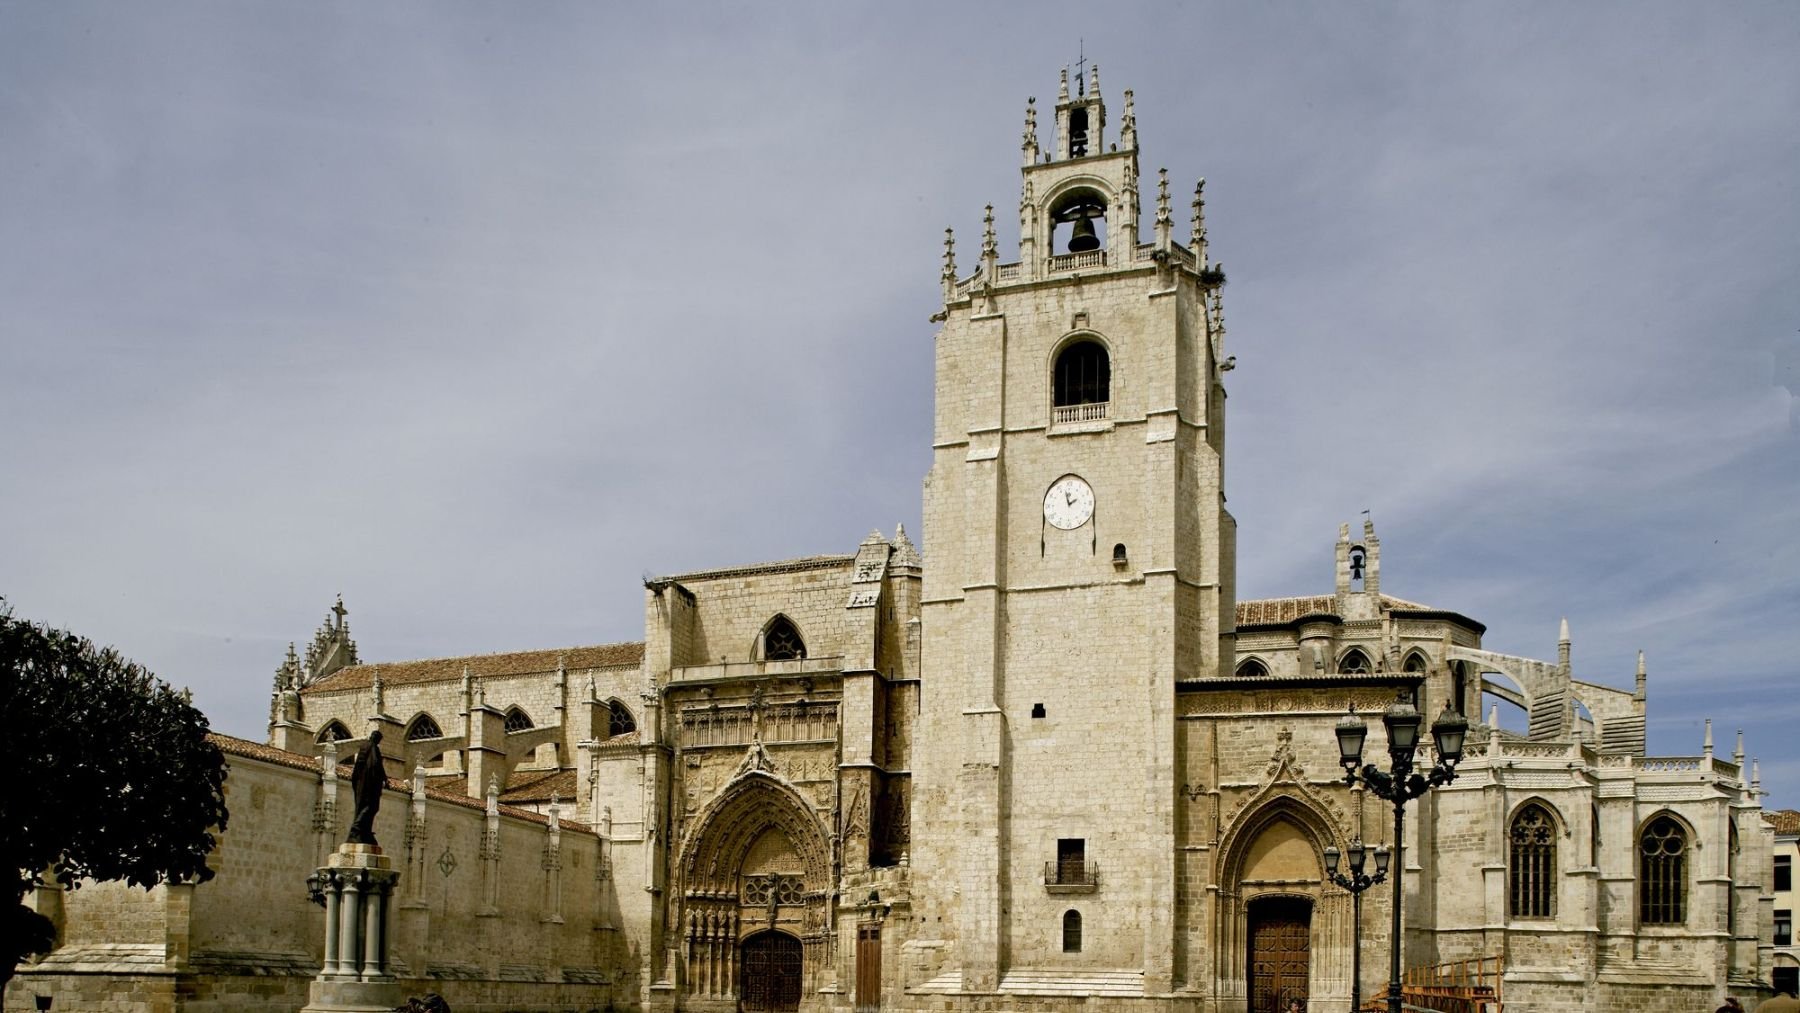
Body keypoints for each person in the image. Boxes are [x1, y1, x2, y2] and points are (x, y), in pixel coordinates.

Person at [346, 730, 387, 846]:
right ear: (375, 738)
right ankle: (356, 829)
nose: (378, 741)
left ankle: (365, 832)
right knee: (370, 806)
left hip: (367, 783)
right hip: (367, 783)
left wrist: (384, 778)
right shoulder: (369, 747)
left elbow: (377, 765)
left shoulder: (370, 747)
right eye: (378, 739)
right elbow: (368, 764)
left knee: (369, 807)